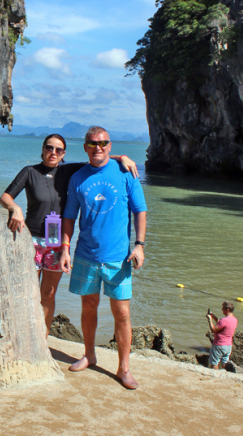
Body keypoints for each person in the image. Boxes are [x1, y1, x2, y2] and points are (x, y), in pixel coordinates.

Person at [0, 133, 138, 333]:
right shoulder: (29, 172)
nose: (53, 152)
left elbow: (98, 158)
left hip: (55, 242)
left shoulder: (69, 171)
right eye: (49, 148)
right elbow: (5, 196)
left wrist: (122, 157)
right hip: (31, 240)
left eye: (58, 150)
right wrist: (14, 208)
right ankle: (20, 334)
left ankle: (43, 339)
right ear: (43, 149)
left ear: (64, 153)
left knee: (48, 293)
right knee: (27, 291)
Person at [58, 126, 147, 390]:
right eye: (92, 144)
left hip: (118, 258)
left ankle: (124, 368)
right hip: (86, 254)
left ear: (110, 146)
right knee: (89, 306)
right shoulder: (78, 178)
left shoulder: (125, 172)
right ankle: (89, 354)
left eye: (103, 143)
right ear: (85, 146)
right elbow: (69, 217)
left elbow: (140, 210)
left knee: (122, 313)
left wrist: (140, 245)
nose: (98, 147)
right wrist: (65, 248)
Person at [207, 301, 238, 369]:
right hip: (228, 345)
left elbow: (213, 329)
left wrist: (210, 320)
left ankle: (214, 376)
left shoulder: (224, 320)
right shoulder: (234, 320)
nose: (222, 310)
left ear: (227, 310)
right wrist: (214, 318)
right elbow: (223, 325)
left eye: (223, 308)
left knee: (214, 362)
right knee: (225, 362)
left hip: (219, 345)